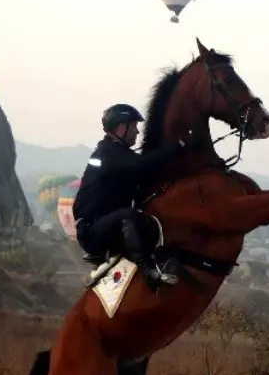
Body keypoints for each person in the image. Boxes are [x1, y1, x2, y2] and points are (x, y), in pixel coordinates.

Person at [73, 103, 204, 286]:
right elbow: (143, 164)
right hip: (93, 231)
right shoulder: (109, 152)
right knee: (130, 215)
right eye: (134, 126)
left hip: (109, 223)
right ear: (121, 128)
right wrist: (181, 145)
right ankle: (148, 271)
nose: (137, 132)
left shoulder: (120, 153)